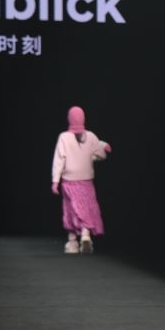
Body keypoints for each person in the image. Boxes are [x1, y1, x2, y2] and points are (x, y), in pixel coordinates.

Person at [51, 105, 111, 254]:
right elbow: (100, 151)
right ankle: (85, 235)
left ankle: (72, 243)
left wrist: (55, 181)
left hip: (69, 182)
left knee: (71, 209)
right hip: (86, 181)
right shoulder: (90, 136)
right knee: (85, 208)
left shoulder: (64, 137)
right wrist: (105, 147)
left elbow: (59, 160)